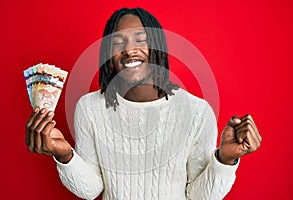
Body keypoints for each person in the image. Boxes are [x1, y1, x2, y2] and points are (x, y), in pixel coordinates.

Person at [25, 7, 262, 200]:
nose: (129, 50)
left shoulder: (197, 112)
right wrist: (65, 154)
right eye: (118, 42)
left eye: (141, 39)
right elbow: (91, 189)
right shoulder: (89, 108)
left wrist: (225, 159)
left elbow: (198, 196)